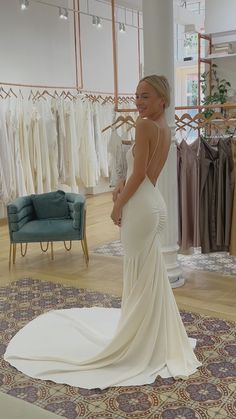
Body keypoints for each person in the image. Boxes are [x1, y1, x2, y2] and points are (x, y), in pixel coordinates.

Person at [4, 75, 201, 389]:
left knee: (138, 273)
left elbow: (138, 173)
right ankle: (151, 335)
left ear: (162, 98)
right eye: (136, 95)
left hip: (139, 205)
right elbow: (148, 173)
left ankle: (138, 340)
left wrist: (118, 204)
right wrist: (126, 188)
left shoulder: (144, 126)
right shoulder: (165, 128)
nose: (138, 102)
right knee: (147, 272)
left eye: (145, 96)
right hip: (153, 202)